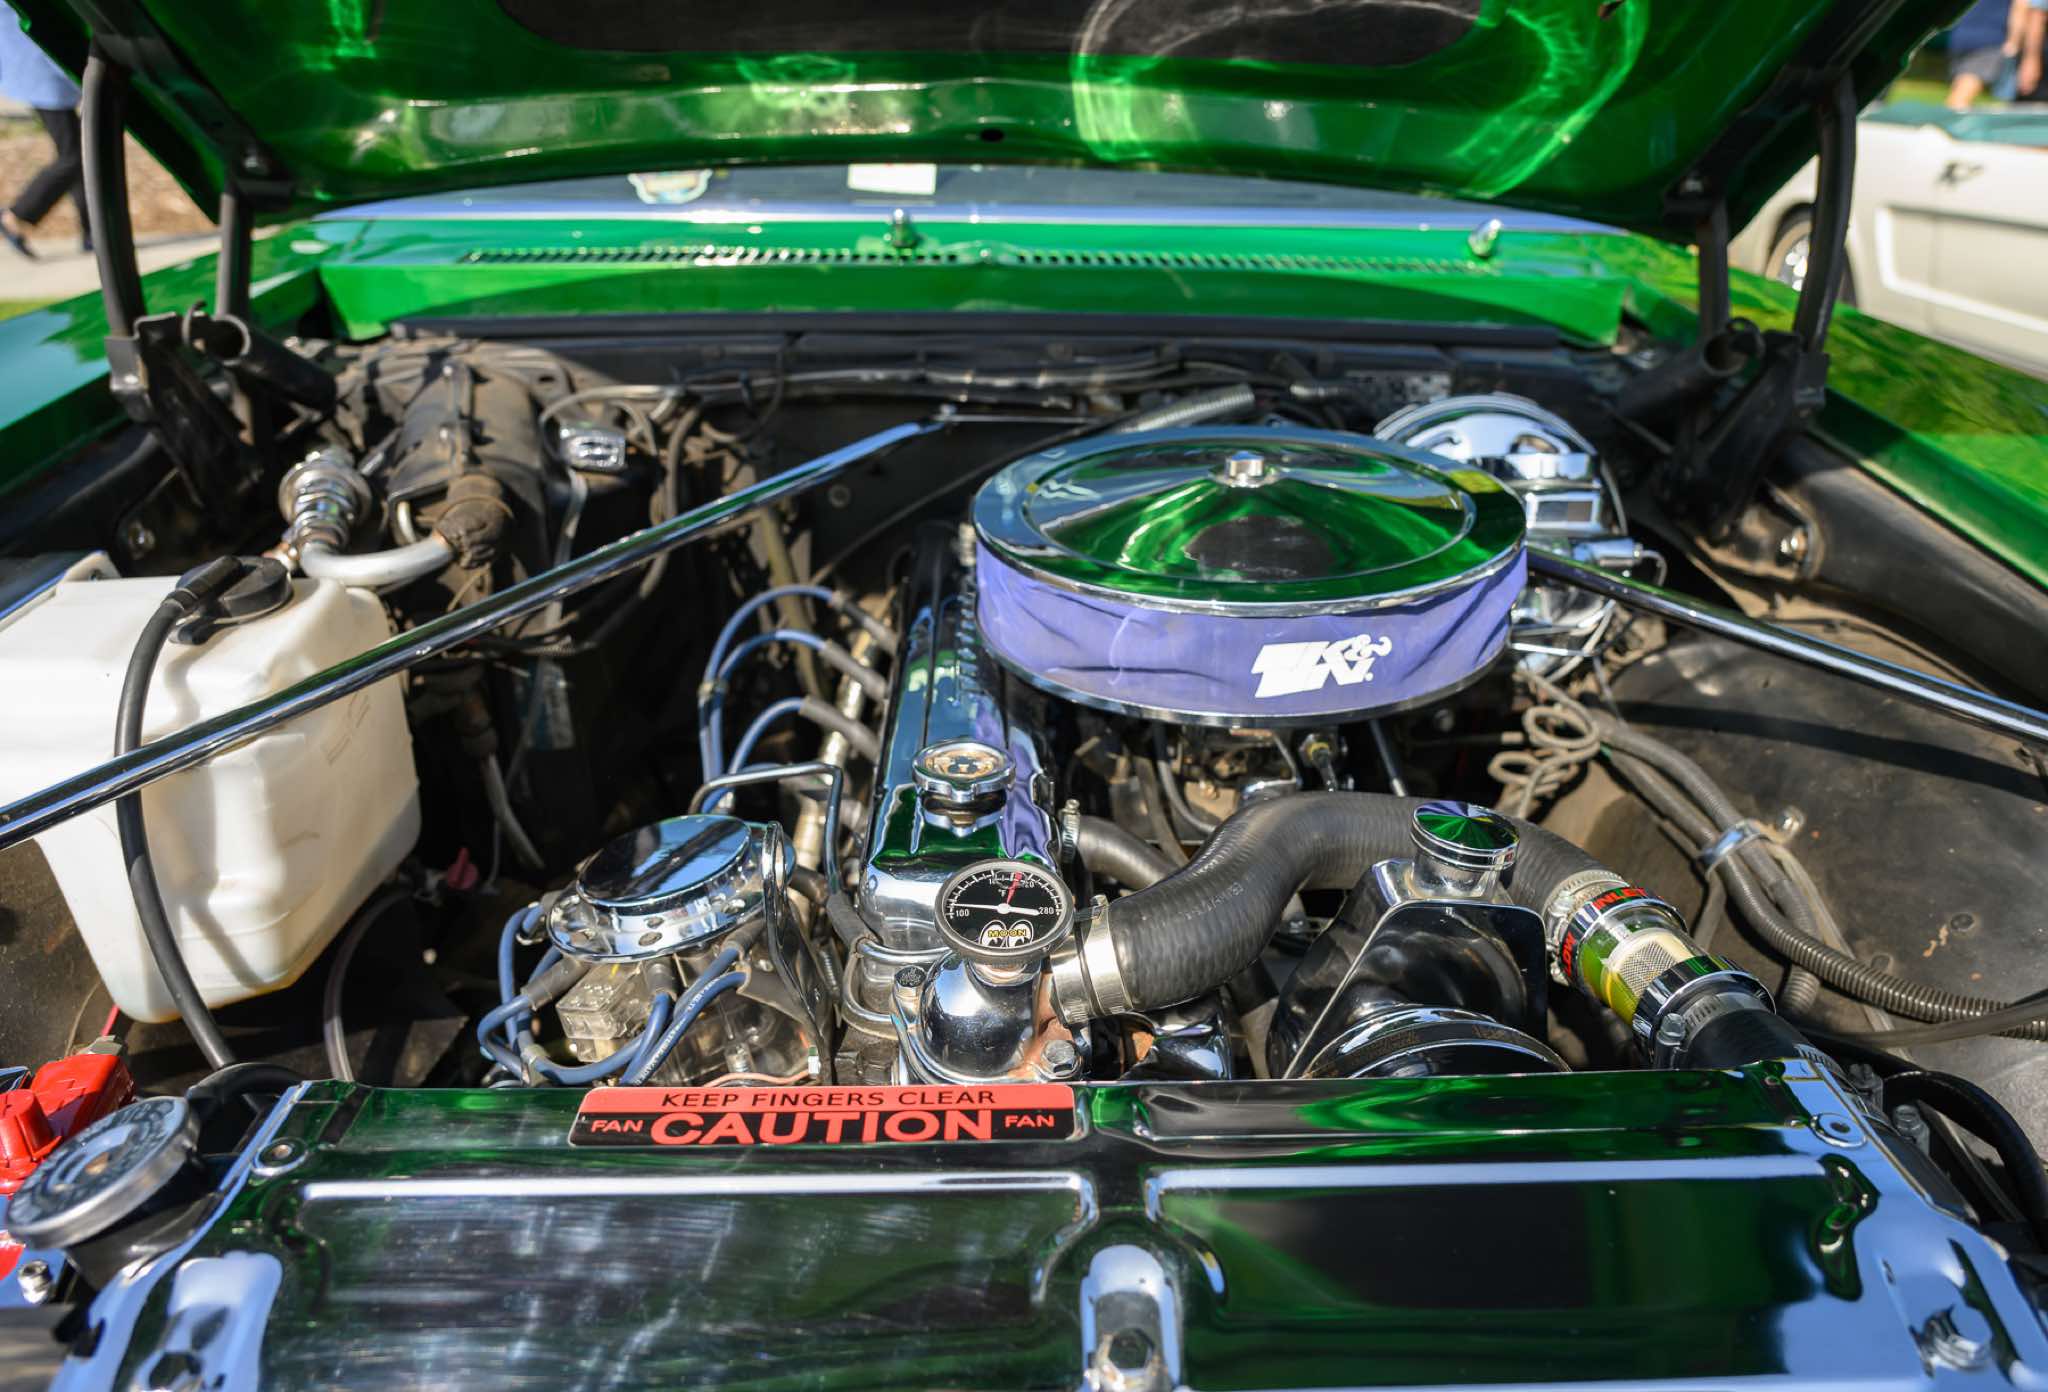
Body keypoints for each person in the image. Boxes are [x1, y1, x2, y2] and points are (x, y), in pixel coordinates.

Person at [0, 0, 84, 260]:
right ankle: (17, 215)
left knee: (81, 150)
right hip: (38, 74)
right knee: (74, 155)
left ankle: (95, 232)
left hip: (36, 72)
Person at [1946, 0, 2048, 109]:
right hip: (1991, 39)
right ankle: (1947, 118)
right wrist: (2013, 42)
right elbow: (2022, 9)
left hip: (1962, 35)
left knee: (1962, 89)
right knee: (1961, 96)